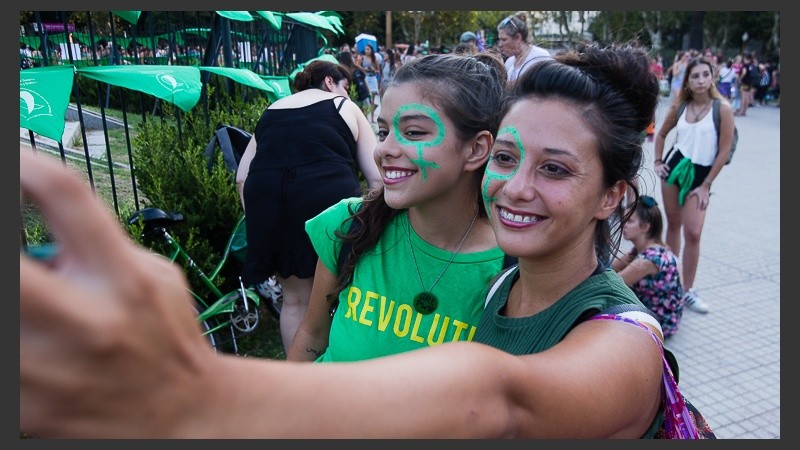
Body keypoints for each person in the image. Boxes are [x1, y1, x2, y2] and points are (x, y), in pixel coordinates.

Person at [20, 41, 689, 439]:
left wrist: (186, 392)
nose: (514, 186)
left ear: (613, 197)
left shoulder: (626, 337)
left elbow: (498, 399)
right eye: (509, 158)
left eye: (556, 169)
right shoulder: (508, 288)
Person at [287, 52, 511, 363]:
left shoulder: (513, 268)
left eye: (414, 132)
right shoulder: (351, 224)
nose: (385, 149)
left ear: (476, 149)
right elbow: (313, 333)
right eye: (383, 131)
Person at [235, 60, 382, 352]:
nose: (348, 95)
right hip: (328, 198)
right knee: (341, 294)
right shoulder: (343, 106)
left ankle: (300, 377)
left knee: (295, 300)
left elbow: (242, 176)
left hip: (268, 201)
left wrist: (261, 218)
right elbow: (377, 175)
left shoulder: (272, 110)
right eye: (346, 88)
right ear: (330, 82)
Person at [654, 56, 736, 314]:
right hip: (674, 169)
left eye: (705, 74)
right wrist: (658, 161)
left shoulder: (721, 108)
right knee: (673, 226)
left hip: (701, 176)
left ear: (712, 77)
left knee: (693, 233)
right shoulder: (680, 106)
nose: (701, 80)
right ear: (687, 81)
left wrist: (706, 185)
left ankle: (687, 290)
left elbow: (723, 151)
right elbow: (662, 134)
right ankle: (670, 283)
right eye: (695, 76)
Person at [612, 195, 684, 338]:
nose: (623, 223)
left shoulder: (648, 260)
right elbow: (610, 266)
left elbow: (613, 283)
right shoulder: (647, 248)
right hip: (663, 314)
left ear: (645, 227)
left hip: (659, 323)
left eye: (630, 221)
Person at [495, 11, 552, 83]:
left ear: (518, 38)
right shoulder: (509, 62)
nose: (500, 44)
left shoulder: (540, 57)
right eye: (499, 39)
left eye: (504, 39)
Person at [355, 43, 380, 123]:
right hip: (365, 78)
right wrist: (363, 69)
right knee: (366, 98)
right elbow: (357, 66)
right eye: (365, 49)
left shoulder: (374, 59)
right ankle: (365, 116)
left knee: (373, 99)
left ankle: (372, 118)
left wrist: (373, 69)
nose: (366, 50)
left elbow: (378, 70)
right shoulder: (362, 58)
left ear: (371, 50)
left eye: (368, 49)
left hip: (373, 78)